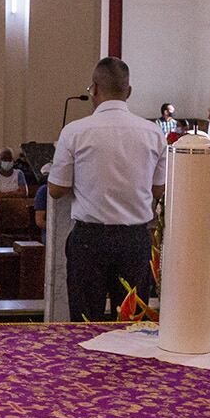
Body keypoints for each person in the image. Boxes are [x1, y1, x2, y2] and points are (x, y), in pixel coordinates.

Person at [47, 57, 166, 322]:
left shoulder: (75, 131)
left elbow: (56, 190)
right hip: (135, 240)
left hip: (90, 239)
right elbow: (158, 189)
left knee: (86, 319)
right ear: (129, 91)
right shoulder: (153, 133)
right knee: (132, 323)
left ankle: (87, 364)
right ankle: (130, 364)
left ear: (94, 89)